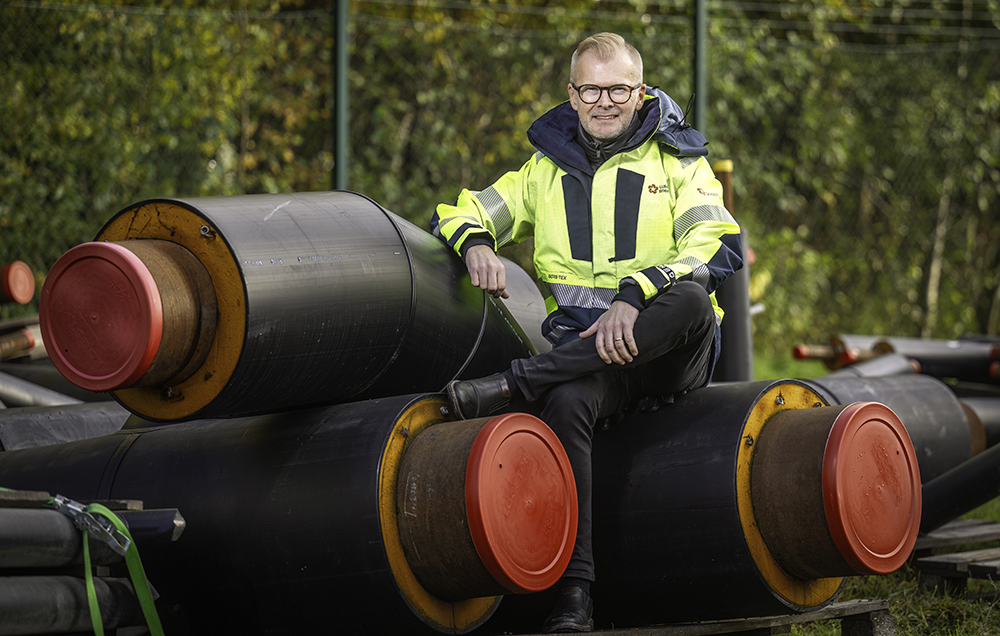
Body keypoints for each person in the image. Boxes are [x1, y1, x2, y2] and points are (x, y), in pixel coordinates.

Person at [430, 32, 742, 633]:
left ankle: (513, 383)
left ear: (640, 91)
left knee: (692, 298)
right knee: (567, 401)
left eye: (620, 89)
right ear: (572, 94)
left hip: (671, 351)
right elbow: (466, 208)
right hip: (589, 359)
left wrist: (632, 297)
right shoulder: (541, 171)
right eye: (592, 89)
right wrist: (476, 244)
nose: (606, 101)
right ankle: (575, 593)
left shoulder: (678, 162)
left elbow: (716, 246)